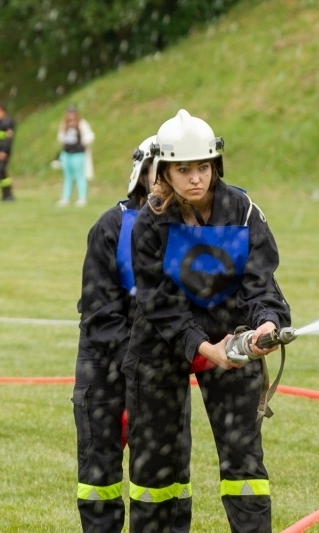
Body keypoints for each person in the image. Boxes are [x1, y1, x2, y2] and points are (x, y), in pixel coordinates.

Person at [123, 110, 291, 532]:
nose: (196, 178)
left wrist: (267, 324)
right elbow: (157, 302)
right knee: (156, 465)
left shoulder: (243, 211)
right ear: (164, 170)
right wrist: (203, 347)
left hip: (232, 335)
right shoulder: (150, 222)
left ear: (215, 165)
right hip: (161, 344)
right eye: (184, 169)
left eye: (203, 167)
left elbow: (260, 282)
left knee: (244, 462)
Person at [74, 136, 195, 533]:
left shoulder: (191, 230)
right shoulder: (110, 228)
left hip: (162, 367)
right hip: (105, 364)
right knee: (100, 475)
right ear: (145, 174)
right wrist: (138, 363)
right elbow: (100, 314)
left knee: (168, 476)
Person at [57, 105, 95, 207]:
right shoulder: (64, 125)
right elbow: (61, 137)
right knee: (68, 176)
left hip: (78, 153)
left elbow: (90, 136)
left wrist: (83, 143)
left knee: (79, 176)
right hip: (67, 153)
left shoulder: (81, 124)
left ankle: (82, 197)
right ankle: (66, 197)